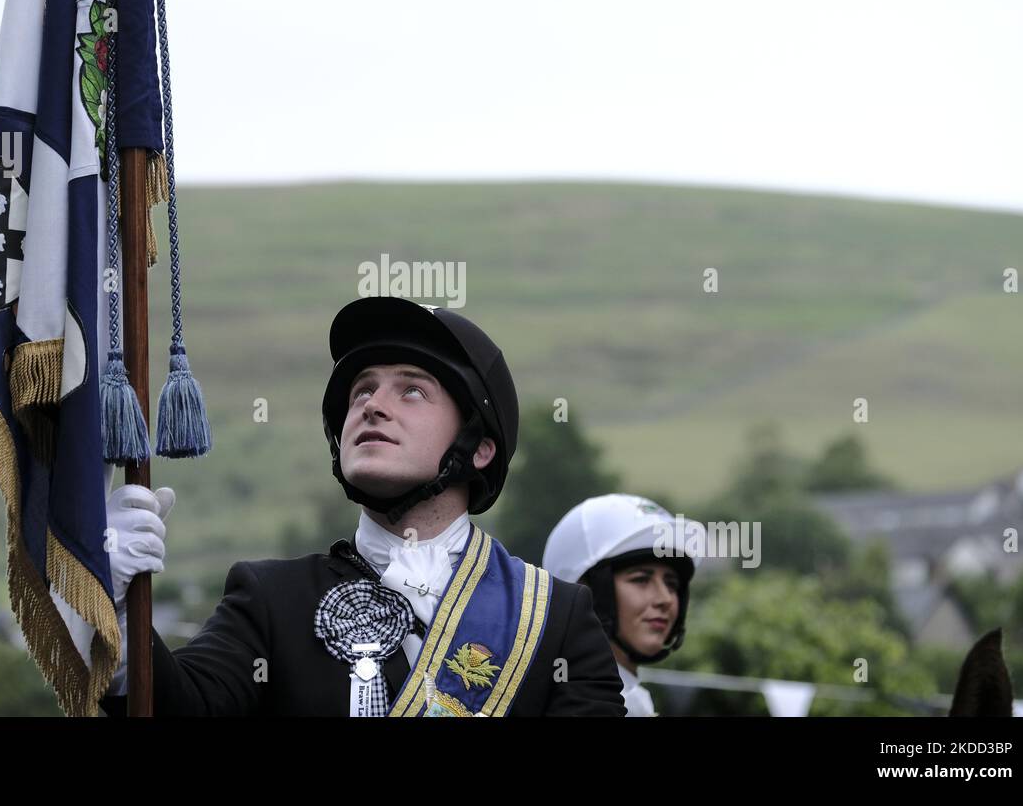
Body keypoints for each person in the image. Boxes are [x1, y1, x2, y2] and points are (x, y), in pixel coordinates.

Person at [100, 296, 626, 716]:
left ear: (479, 446)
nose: (373, 404)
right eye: (361, 391)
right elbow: (177, 707)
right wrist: (116, 607)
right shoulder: (270, 600)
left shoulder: (556, 618)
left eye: (412, 391)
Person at [543, 494, 696, 717]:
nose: (666, 599)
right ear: (585, 593)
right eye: (641, 580)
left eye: (671, 584)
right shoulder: (567, 704)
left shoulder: (632, 698)